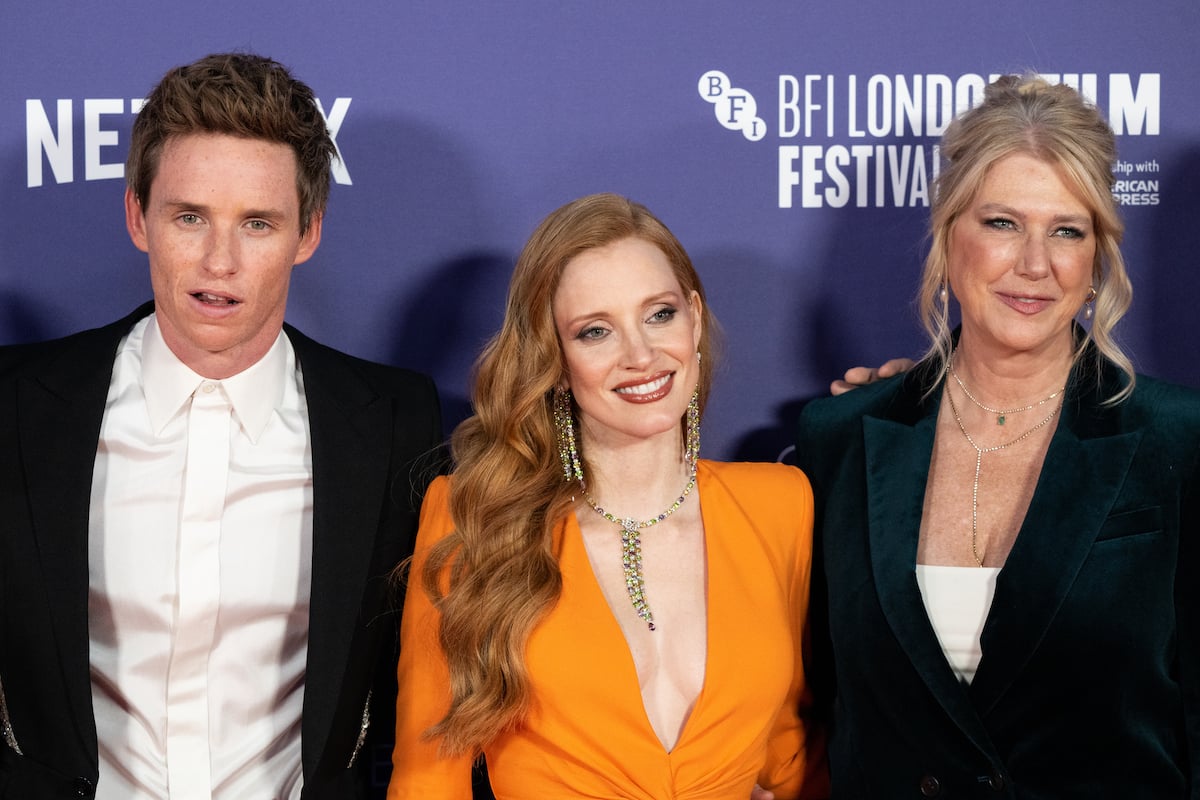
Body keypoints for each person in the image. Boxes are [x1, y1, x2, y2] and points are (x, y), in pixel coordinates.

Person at [0, 53, 442, 799]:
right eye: (190, 217)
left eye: (258, 223)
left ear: (308, 234)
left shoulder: (395, 422)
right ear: (139, 217)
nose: (219, 261)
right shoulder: (15, 406)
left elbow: (415, 693)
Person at [795, 74, 1200, 797]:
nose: (1035, 265)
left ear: (1097, 256)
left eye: (1067, 231)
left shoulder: (1178, 441)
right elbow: (816, 707)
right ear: (950, 233)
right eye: (1003, 223)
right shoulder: (842, 439)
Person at [387, 193, 827, 799]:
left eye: (660, 314)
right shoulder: (476, 520)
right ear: (554, 355)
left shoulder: (781, 506)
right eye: (596, 331)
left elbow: (795, 754)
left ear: (695, 319)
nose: (641, 355)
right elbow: (427, 778)